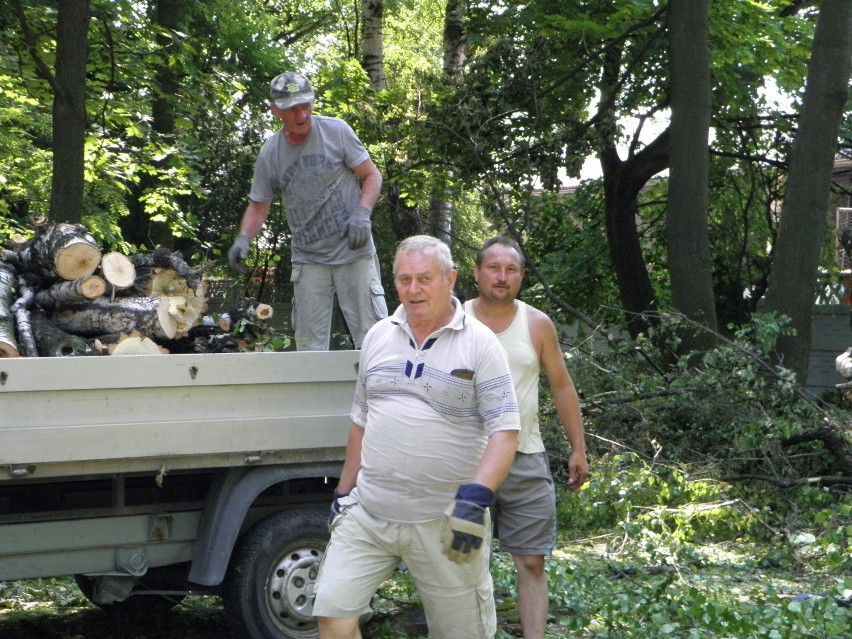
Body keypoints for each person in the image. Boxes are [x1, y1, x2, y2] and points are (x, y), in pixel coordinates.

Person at [313, 235, 521, 639]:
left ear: (450, 280)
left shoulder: (481, 345)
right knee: (333, 618)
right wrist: (343, 494)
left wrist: (475, 498)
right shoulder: (377, 337)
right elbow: (362, 420)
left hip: (445, 520)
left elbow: (505, 431)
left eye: (424, 278)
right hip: (370, 513)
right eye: (405, 279)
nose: (413, 289)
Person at [463, 236, 589, 639]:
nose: (502, 277)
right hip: (465, 462)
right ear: (477, 272)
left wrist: (578, 448)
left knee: (532, 563)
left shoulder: (537, 325)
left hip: (525, 458)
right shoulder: (454, 320)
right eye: (494, 268)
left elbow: (563, 387)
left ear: (520, 277)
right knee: (462, 563)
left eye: (511, 269)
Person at [228, 71, 387, 350]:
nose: (301, 115)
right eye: (292, 109)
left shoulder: (336, 131)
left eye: (306, 105)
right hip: (310, 259)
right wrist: (244, 239)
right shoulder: (271, 153)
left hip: (354, 251)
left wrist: (362, 213)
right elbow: (258, 204)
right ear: (275, 110)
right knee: (309, 349)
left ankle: (381, 393)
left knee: (375, 340)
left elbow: (372, 176)